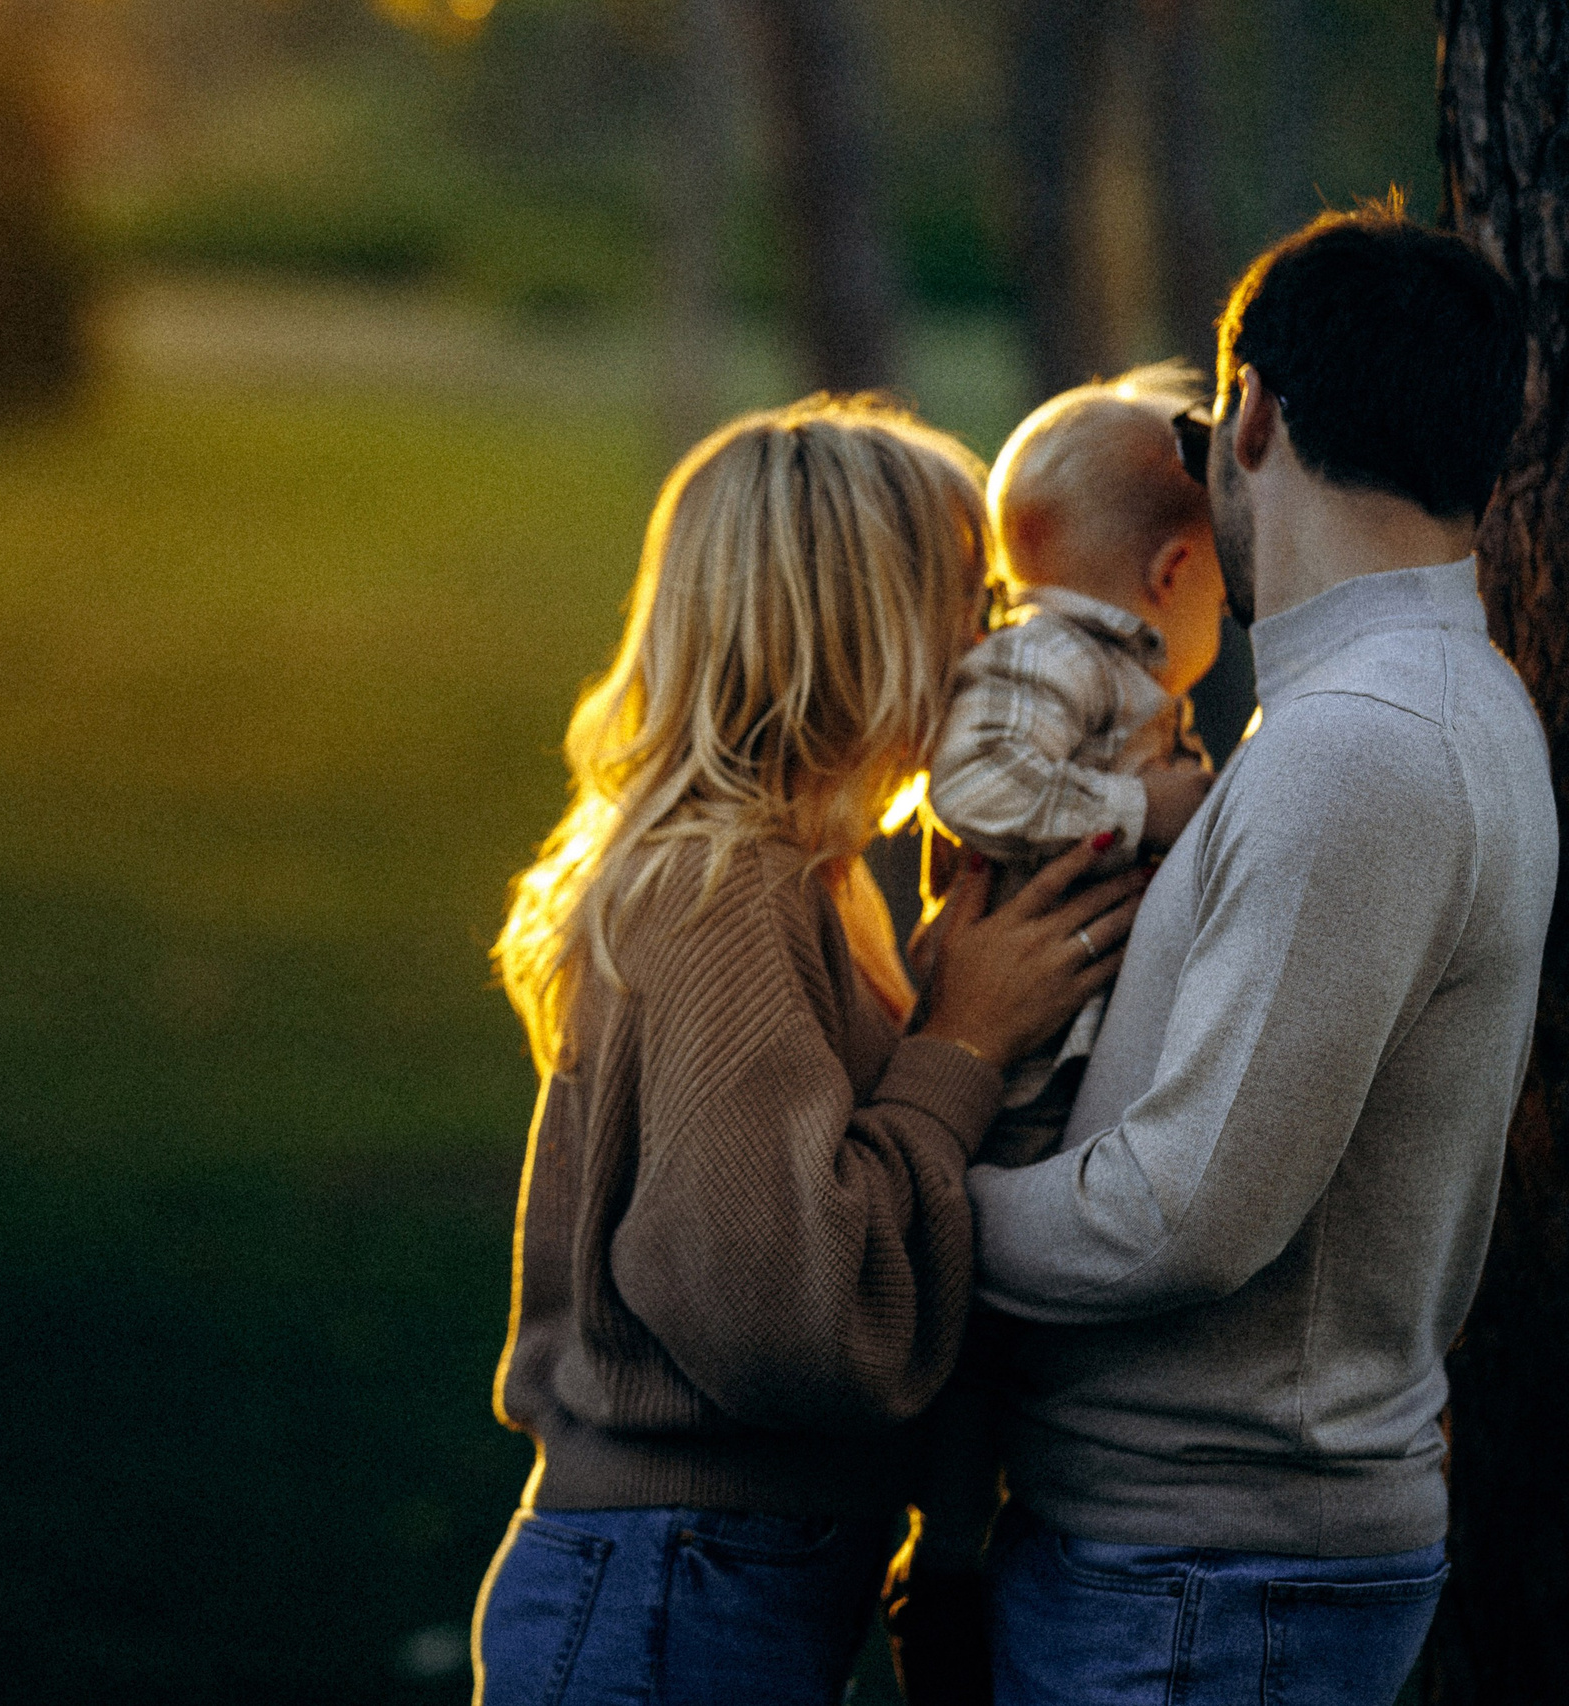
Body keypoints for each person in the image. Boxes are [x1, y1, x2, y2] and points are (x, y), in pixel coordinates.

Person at [470, 394, 1148, 1706]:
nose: (992, 644)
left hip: (716, 1572)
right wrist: (960, 1045)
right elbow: (780, 1304)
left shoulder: (816, 887)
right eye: (971, 599)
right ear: (871, 627)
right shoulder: (729, 892)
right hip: (676, 1581)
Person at [966, 206, 1554, 1706]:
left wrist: (901, 1207)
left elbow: (1185, 1211)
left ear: (1253, 416)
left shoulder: (1362, 748)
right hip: (1211, 1574)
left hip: (1205, 1588)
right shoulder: (1416, 707)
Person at [928, 361, 1226, 1166]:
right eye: (1224, 587)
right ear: (1173, 572)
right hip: (1022, 1063)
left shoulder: (1115, 674)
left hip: (1071, 1034)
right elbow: (973, 782)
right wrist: (1139, 810)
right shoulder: (1051, 656)